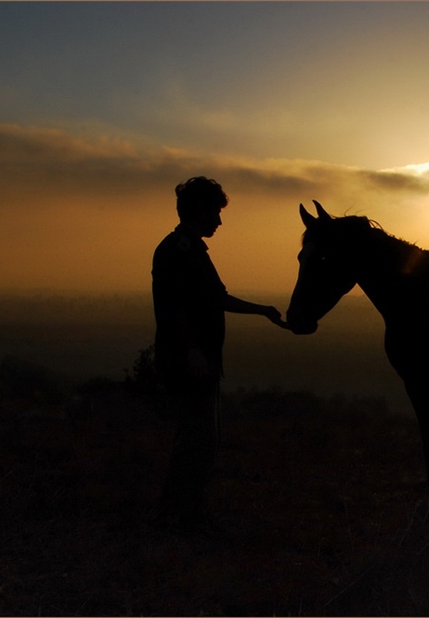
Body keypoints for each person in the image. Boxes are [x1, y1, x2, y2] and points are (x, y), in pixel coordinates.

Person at [151, 176, 287, 533]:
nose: (219, 221)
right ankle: (176, 515)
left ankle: (186, 512)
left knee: (202, 440)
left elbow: (217, 299)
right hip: (188, 361)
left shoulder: (190, 250)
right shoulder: (177, 251)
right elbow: (175, 306)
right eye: (215, 212)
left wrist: (263, 311)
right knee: (195, 440)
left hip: (201, 360)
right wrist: (193, 350)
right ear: (200, 210)